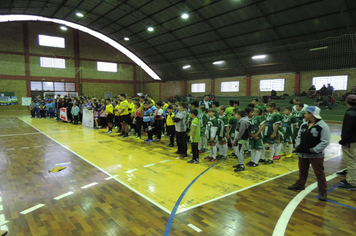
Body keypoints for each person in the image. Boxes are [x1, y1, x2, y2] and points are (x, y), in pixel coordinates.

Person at [288, 106, 331, 201]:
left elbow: (325, 141)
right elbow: (299, 136)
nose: (304, 115)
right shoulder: (304, 125)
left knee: (319, 173)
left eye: (306, 113)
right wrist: (299, 146)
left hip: (316, 155)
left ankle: (323, 191)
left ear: (311, 114)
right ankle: (300, 184)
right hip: (303, 154)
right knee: (302, 170)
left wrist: (314, 150)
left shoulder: (323, 126)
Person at [338, 95, 356, 191]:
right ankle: (351, 177)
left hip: (351, 142)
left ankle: (352, 182)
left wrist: (343, 141)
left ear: (347, 102)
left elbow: (347, 130)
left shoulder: (350, 114)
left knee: (351, 162)